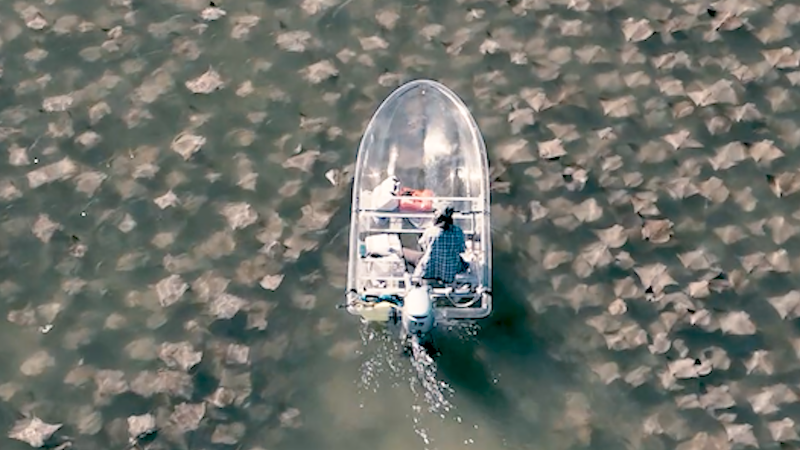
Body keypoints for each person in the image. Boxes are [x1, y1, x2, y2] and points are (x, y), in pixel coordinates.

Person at [402, 206, 469, 284]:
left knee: (404, 252)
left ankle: (411, 278)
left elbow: (424, 247)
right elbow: (461, 249)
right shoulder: (458, 231)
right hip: (450, 272)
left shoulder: (431, 231)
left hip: (429, 270)